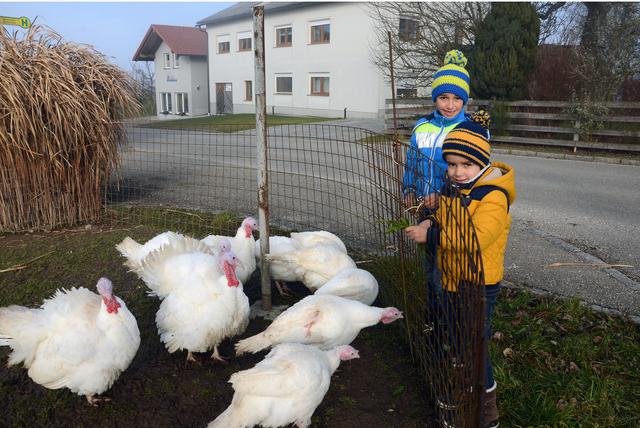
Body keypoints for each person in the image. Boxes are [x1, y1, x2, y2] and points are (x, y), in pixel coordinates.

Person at [405, 113, 516, 428]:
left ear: (482, 163)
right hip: (453, 278)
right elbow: (447, 218)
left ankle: (487, 409)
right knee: (458, 336)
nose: (457, 171)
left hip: (478, 283)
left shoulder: (492, 196)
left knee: (475, 344)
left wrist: (432, 236)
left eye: (466, 165)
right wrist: (430, 219)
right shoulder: (457, 190)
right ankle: (464, 389)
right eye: (452, 164)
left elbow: (478, 238)